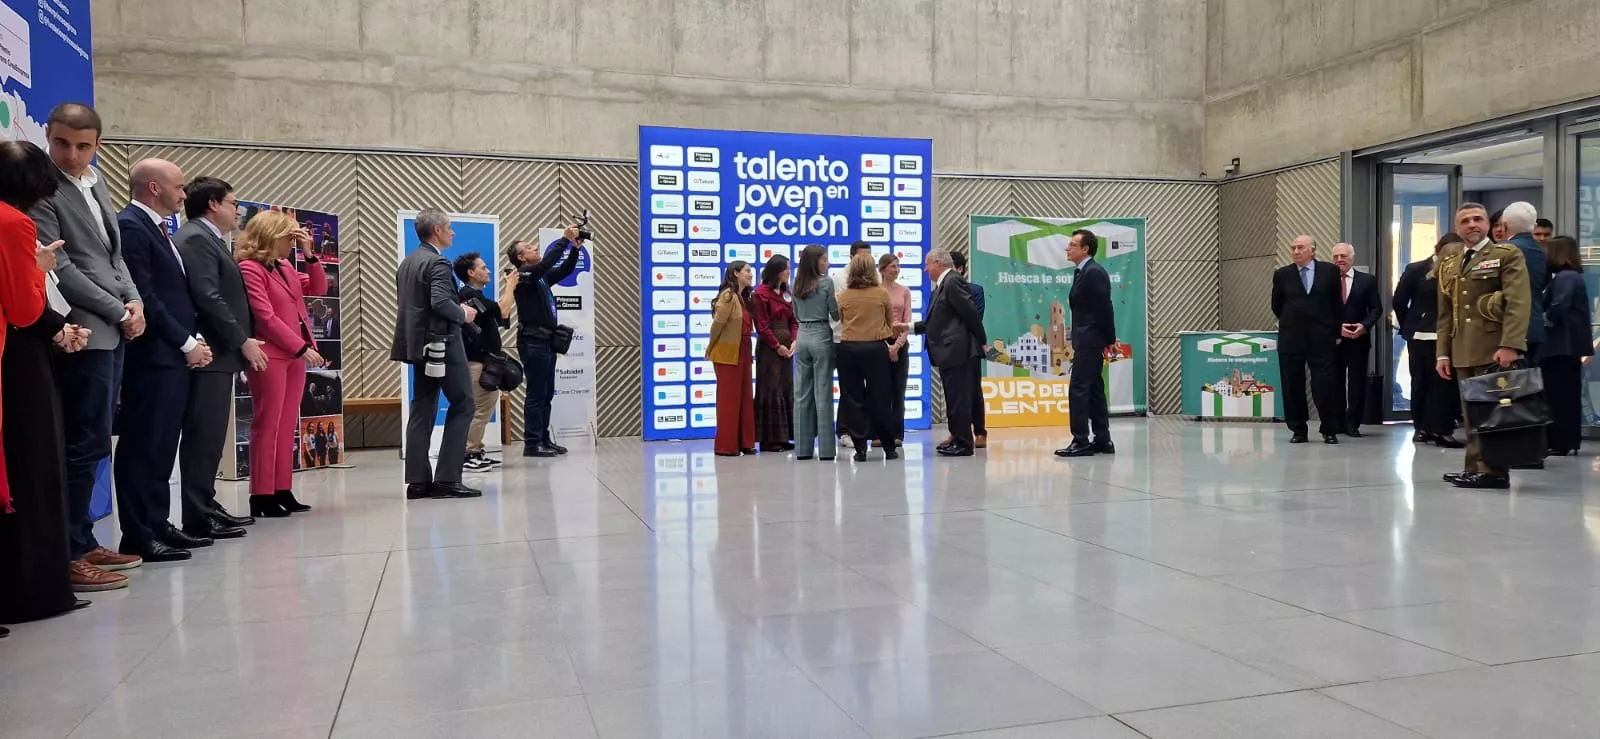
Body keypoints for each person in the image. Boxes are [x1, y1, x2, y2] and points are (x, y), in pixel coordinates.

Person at [30, 103, 147, 590]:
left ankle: (84, 537)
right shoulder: (41, 190)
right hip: (82, 330)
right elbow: (63, 268)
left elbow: (112, 255)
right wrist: (118, 310)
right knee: (81, 442)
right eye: (61, 143)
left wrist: (135, 303)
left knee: (98, 440)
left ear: (98, 143)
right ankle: (69, 551)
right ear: (47, 138)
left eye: (82, 145)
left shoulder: (95, 182)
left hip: (116, 326)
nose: (71, 154)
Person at [0, 139, 92, 619]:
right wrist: (40, 269)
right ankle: (35, 590)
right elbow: (23, 307)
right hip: (15, 360)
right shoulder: (14, 222)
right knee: (33, 465)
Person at [113, 159, 215, 563]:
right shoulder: (132, 226)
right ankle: (138, 533)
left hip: (170, 357)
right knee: (144, 444)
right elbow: (146, 296)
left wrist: (193, 338)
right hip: (152, 357)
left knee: (161, 446)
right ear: (154, 187)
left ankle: (157, 523)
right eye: (179, 186)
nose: (184, 194)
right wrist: (184, 341)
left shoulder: (160, 229)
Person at [177, 176, 262, 539]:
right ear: (213, 204)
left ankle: (206, 503)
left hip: (218, 353)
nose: (237, 209)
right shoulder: (197, 237)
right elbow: (208, 296)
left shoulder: (211, 239)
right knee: (203, 435)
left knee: (211, 436)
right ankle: (197, 512)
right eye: (232, 202)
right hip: (210, 350)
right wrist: (241, 339)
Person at [240, 211, 330, 513]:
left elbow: (318, 289)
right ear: (271, 235)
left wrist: (310, 255)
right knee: (268, 424)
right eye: (289, 236)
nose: (292, 242)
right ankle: (261, 494)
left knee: (287, 424)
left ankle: (282, 488)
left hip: (293, 356)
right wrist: (301, 347)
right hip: (272, 355)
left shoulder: (286, 267)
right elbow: (265, 317)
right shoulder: (250, 269)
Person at [1437, 202, 1531, 490]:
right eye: (1465, 221)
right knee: (1471, 414)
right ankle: (1474, 468)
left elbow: (1518, 302)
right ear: (1457, 229)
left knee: (1492, 413)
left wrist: (1511, 344)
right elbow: (1445, 310)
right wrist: (1443, 352)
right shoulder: (1451, 260)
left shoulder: (1506, 254)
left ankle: (1494, 471)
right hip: (1462, 348)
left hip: (1494, 347)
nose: (1472, 224)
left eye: (1478, 219)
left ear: (1490, 226)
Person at [391, 208, 479, 499]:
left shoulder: (407, 262)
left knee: (423, 407)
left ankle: (417, 482)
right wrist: (463, 313)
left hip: (417, 346)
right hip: (443, 343)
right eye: (450, 227)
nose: (453, 232)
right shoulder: (438, 262)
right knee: (465, 403)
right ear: (437, 231)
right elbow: (441, 302)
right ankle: (447, 480)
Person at [508, 228, 582, 457]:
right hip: (533, 342)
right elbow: (544, 265)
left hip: (546, 342)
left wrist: (575, 250)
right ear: (521, 258)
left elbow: (565, 270)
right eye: (530, 247)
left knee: (547, 393)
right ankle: (532, 443)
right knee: (536, 394)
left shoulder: (540, 279)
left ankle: (543, 439)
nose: (535, 248)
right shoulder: (524, 276)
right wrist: (565, 240)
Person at [1392, 232, 1465, 449]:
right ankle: (1421, 427)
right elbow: (1399, 300)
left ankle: (1440, 428)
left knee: (1443, 384)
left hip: (1447, 336)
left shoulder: (1459, 270)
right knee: (1420, 381)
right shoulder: (1417, 269)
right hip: (1421, 335)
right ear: (1438, 249)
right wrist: (1409, 326)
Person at [1270, 235, 1343, 444]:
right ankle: (1298, 430)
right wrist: (1292, 321)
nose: (1295, 251)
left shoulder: (1329, 271)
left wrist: (1336, 332)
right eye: (1292, 248)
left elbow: (1336, 304)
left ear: (1312, 250)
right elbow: (1276, 305)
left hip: (1322, 338)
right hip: (1291, 338)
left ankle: (1329, 428)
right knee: (1292, 384)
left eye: (1300, 248)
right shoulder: (1282, 275)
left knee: (1325, 384)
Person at [913, 249, 984, 457]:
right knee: (953, 397)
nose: (925, 269)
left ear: (937, 263)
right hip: (949, 351)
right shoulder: (941, 285)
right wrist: (908, 327)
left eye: (927, 264)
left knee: (960, 397)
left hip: (958, 350)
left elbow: (970, 314)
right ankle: (958, 438)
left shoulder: (953, 281)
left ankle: (963, 443)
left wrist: (981, 340)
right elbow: (935, 321)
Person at [1055, 230, 1117, 457]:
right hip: (1087, 338)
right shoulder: (1082, 272)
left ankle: (1080, 440)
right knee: (1094, 390)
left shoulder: (1093, 273)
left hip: (1092, 340)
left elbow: (1104, 309)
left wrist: (1109, 339)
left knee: (1079, 389)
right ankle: (1102, 440)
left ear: (1085, 249)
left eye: (1072, 245)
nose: (1067, 248)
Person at [452, 250, 516, 472]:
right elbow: (505, 310)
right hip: (476, 363)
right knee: (479, 409)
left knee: (483, 407)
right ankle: (468, 454)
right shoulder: (470, 296)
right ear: (471, 272)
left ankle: (475, 450)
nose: (488, 271)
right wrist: (510, 285)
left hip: (482, 361)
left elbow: (499, 315)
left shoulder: (475, 297)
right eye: (483, 267)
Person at [838, 252, 901, 461]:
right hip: (875, 349)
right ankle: (889, 446)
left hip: (849, 349)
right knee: (881, 397)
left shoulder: (844, 295)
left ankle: (860, 448)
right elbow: (889, 324)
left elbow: (841, 320)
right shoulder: (882, 294)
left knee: (853, 398)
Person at [1539, 236, 1591, 456]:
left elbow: (1558, 307)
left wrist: (1541, 320)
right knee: (1565, 394)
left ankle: (1561, 440)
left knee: (1559, 395)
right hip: (1567, 346)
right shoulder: (1570, 276)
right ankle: (1566, 440)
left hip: (1561, 346)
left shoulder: (1565, 277)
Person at [791, 245, 839, 461]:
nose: (827, 263)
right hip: (821, 334)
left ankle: (802, 449)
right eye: (824, 260)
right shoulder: (826, 282)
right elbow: (835, 314)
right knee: (823, 393)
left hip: (802, 336)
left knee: (801, 395)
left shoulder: (796, 283)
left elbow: (795, 313)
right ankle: (827, 450)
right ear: (816, 261)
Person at [706, 261, 757, 456]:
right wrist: (711, 347)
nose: (751, 275)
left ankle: (745, 442)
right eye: (747, 271)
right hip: (728, 352)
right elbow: (717, 326)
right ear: (735, 273)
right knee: (729, 399)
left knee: (744, 397)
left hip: (743, 349)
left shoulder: (743, 297)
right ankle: (726, 446)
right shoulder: (728, 296)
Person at [1330, 243, 1381, 437]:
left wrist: (1364, 325)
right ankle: (1337, 423)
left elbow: (1376, 308)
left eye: (1343, 256)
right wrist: (1336, 329)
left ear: (1352, 258)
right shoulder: (1326, 280)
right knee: (1335, 384)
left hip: (1358, 340)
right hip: (1334, 340)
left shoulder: (1367, 281)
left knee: (1357, 384)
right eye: (1335, 257)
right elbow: (1322, 310)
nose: (1339, 260)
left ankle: (1353, 424)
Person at [750, 255, 797, 453]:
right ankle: (769, 440)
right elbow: (761, 325)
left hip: (788, 347)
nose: (789, 272)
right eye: (786, 268)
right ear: (777, 271)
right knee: (771, 389)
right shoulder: (759, 294)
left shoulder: (787, 294)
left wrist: (794, 341)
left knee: (785, 388)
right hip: (770, 349)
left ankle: (784, 437)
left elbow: (794, 320)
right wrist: (777, 345)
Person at [833, 240, 875, 448]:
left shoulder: (873, 279)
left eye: (869, 255)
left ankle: (863, 430)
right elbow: (838, 312)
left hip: (869, 341)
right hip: (845, 340)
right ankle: (844, 431)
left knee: (868, 390)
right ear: (851, 257)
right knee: (848, 389)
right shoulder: (840, 278)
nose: (866, 260)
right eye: (862, 256)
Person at [948, 251, 988, 448]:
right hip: (949, 350)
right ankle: (955, 432)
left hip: (970, 347)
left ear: (960, 269)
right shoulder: (938, 289)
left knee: (973, 390)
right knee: (953, 393)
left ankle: (980, 431)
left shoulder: (976, 290)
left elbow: (975, 317)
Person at [1500, 203, 1548, 362]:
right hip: (1534, 325)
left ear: (1504, 225)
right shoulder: (1541, 251)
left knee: (1502, 383)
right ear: (1534, 226)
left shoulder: (1503, 251)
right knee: (1529, 382)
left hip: (1509, 332)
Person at [879, 253, 912, 445]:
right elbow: (874, 321)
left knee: (898, 391)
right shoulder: (876, 291)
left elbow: (907, 322)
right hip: (879, 343)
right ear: (883, 269)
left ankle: (897, 434)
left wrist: (897, 346)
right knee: (880, 391)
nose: (896, 270)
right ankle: (878, 434)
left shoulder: (905, 291)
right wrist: (886, 345)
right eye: (892, 266)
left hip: (900, 344)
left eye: (898, 266)